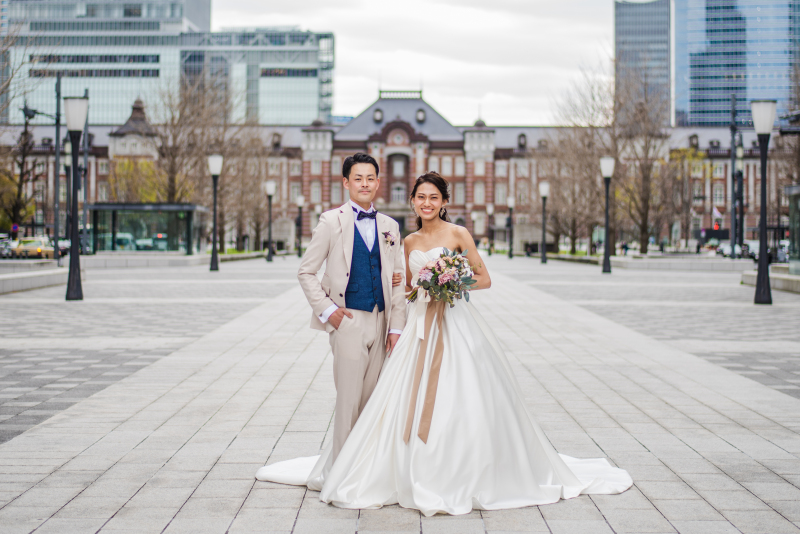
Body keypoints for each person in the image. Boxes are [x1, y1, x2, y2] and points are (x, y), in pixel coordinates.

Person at [257, 172, 632, 516]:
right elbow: (402, 285)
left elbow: (484, 279)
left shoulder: (459, 235)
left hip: (454, 322)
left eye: (433, 198)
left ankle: (462, 466)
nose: (426, 203)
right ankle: (385, 463)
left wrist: (450, 282)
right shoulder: (407, 240)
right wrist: (411, 299)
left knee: (465, 390)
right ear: (413, 202)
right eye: (420, 197)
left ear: (444, 202)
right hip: (419, 323)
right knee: (396, 392)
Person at [292, 152, 406, 462]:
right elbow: (306, 271)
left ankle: (365, 470)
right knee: (348, 402)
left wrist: (396, 327)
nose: (365, 183)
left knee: (372, 401)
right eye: (358, 178)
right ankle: (340, 474)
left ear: (379, 182)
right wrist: (329, 312)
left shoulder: (390, 226)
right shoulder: (331, 221)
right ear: (346, 182)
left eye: (370, 178)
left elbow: (398, 281)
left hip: (382, 322)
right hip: (348, 321)